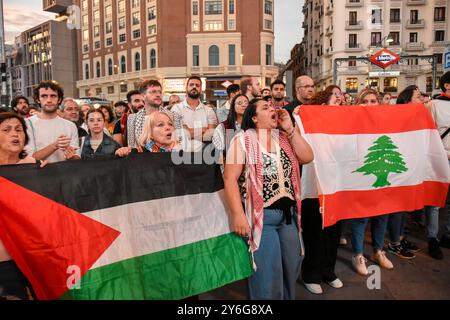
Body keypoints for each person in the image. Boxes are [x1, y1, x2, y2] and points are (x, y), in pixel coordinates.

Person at [224, 98, 314, 299]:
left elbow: (308, 157)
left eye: (272, 106)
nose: (272, 109)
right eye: (265, 108)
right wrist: (237, 215)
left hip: (289, 216)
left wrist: (290, 128)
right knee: (267, 274)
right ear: (254, 118)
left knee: (291, 266)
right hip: (263, 217)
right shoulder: (242, 141)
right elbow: (229, 178)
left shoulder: (284, 137)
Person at [298, 87, 344, 294]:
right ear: (323, 105)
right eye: (336, 95)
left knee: (334, 232)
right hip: (314, 188)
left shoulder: (346, 124)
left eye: (341, 95)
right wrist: (301, 114)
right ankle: (311, 274)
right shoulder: (308, 120)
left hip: (338, 186)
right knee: (315, 232)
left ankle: (329, 271)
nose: (340, 98)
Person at [350, 89, 393, 275]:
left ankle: (378, 251)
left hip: (382, 173)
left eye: (373, 101)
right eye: (364, 100)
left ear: (379, 103)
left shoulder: (386, 122)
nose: (369, 104)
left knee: (382, 213)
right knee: (361, 216)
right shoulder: (351, 123)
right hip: (360, 176)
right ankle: (358, 254)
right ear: (357, 104)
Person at [0, 112, 41, 300]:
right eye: (6, 130)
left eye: (19, 129)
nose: (15, 134)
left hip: (33, 256)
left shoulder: (33, 166)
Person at [424, 71, 450, 259]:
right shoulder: (433, 104)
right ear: (446, 85)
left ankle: (448, 234)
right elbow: (426, 132)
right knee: (434, 200)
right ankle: (432, 238)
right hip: (440, 158)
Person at [24, 81, 80, 163]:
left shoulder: (70, 126)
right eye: (44, 96)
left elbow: (77, 158)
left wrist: (71, 157)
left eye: (53, 96)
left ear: (59, 99)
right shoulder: (27, 124)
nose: (49, 100)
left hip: (64, 174)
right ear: (38, 99)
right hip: (37, 174)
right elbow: (28, 159)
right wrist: (55, 145)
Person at [171, 76, 217, 152]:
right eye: (191, 85)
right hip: (181, 154)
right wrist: (203, 129)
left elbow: (210, 136)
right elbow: (179, 135)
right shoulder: (176, 109)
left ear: (201, 90)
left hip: (204, 155)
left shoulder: (209, 110)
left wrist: (188, 131)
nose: (194, 87)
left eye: (197, 85)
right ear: (186, 88)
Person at [212, 94, 249, 168]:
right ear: (233, 107)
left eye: (246, 103)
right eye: (239, 103)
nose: (244, 105)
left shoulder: (253, 126)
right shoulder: (223, 127)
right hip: (229, 168)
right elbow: (219, 155)